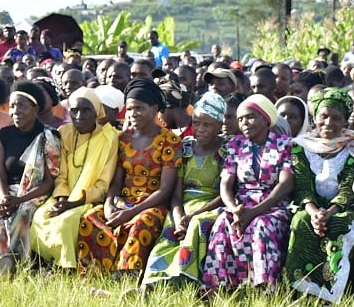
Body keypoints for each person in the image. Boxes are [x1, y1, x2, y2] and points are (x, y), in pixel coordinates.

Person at [77, 79, 181, 277]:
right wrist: (109, 206)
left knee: (143, 222)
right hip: (123, 200)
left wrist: (131, 212)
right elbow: (116, 182)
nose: (133, 114)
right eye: (130, 109)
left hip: (152, 203)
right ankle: (93, 273)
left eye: (139, 108)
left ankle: (127, 273)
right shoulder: (123, 138)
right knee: (91, 218)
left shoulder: (170, 140)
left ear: (154, 109)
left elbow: (166, 188)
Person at [201, 94, 294, 292]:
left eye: (250, 117)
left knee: (262, 225)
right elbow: (226, 184)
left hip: (273, 206)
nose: (244, 123)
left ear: (266, 118)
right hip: (241, 204)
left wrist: (255, 212)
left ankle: (263, 287)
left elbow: (285, 184)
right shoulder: (235, 145)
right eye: (240, 119)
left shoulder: (285, 144)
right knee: (221, 224)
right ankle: (216, 286)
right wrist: (234, 209)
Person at [0, 81, 60, 276]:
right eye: (12, 106)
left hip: (36, 193)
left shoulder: (48, 136)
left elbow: (49, 181)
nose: (15, 111)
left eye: (21, 106)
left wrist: (19, 200)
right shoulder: (5, 134)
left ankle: (16, 266)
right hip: (9, 191)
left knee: (23, 212)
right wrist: (4, 197)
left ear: (35, 109)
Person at [283, 88, 354, 306]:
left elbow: (350, 187)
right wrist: (314, 212)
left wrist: (329, 213)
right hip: (309, 207)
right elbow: (301, 185)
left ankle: (328, 295)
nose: (329, 123)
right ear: (315, 118)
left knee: (338, 226)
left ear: (345, 121)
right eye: (323, 117)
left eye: (336, 118)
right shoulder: (301, 147)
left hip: (343, 208)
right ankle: (299, 293)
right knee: (301, 222)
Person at [143, 92, 227, 287]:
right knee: (169, 232)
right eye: (196, 123)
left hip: (212, 205)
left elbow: (225, 194)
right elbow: (176, 194)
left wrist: (193, 215)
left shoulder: (226, 151)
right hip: (184, 205)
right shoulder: (185, 148)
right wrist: (179, 216)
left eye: (207, 125)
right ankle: (151, 281)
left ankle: (180, 278)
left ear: (219, 126)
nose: (200, 130)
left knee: (197, 224)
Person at [31, 88, 119, 270]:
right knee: (40, 216)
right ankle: (42, 264)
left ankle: (65, 268)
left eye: (86, 110)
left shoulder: (110, 138)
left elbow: (103, 184)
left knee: (66, 222)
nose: (79, 115)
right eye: (74, 110)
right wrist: (62, 199)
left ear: (97, 112)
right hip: (63, 197)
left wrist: (73, 204)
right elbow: (60, 174)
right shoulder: (65, 133)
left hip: (89, 200)